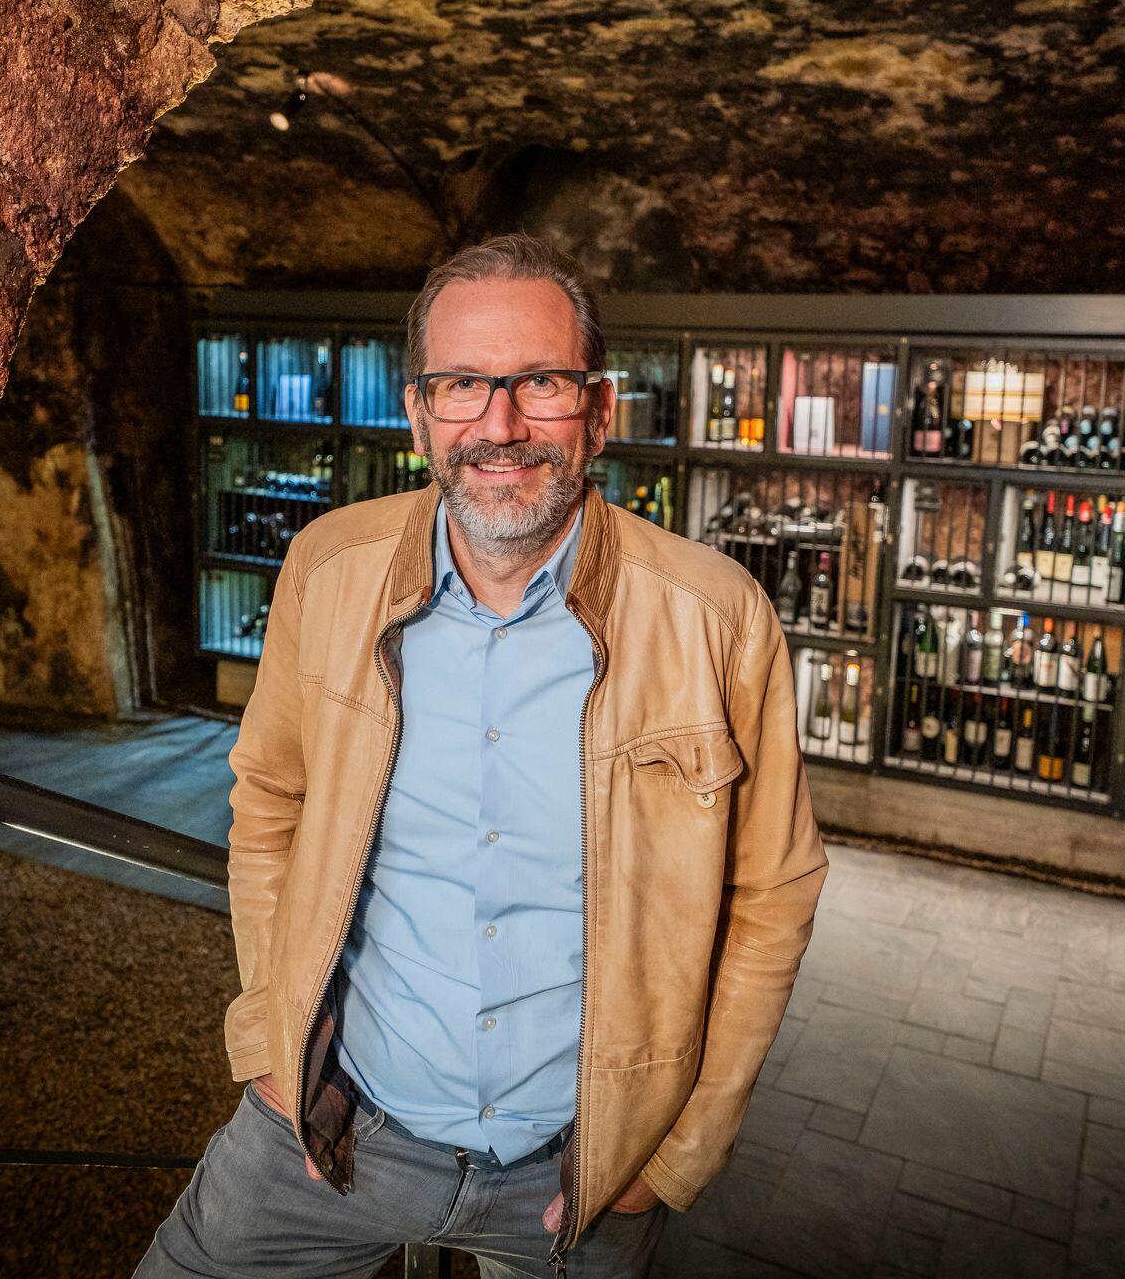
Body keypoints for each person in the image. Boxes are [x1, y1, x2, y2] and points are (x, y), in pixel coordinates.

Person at [136, 234, 826, 1278]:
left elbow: (773, 893)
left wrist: (671, 1158)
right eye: (461, 384)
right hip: (326, 1124)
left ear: (597, 410)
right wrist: (272, 1041)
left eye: (540, 381)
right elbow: (269, 799)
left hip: (585, 1176)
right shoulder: (328, 568)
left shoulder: (716, 617)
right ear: (417, 414)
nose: (499, 426)